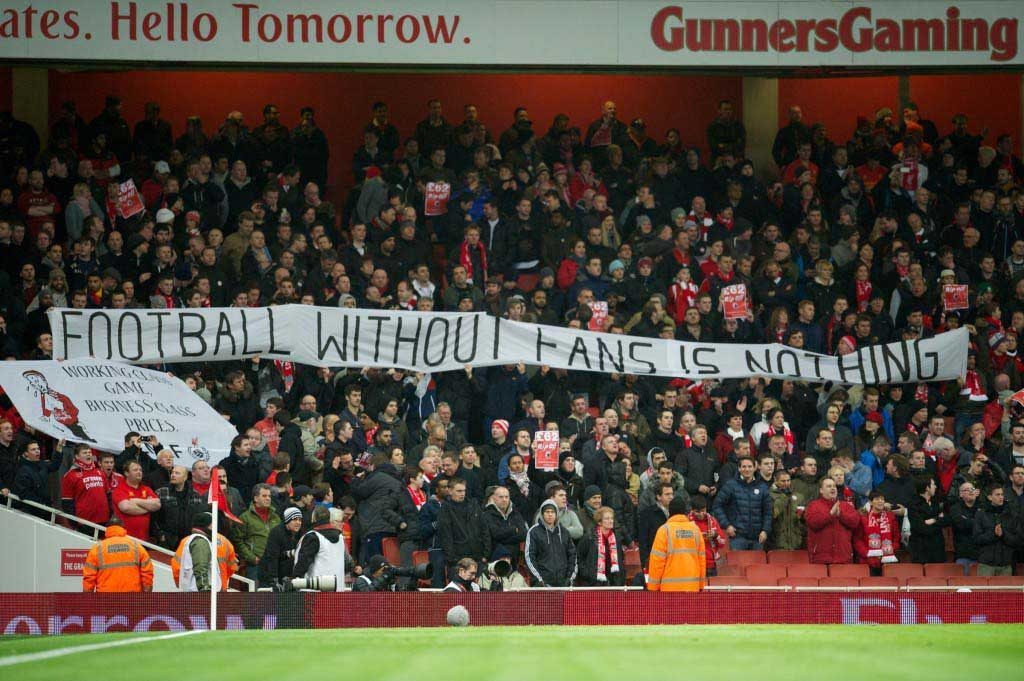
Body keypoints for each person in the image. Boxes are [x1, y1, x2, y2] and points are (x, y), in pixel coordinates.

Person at [647, 495, 707, 592]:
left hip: (669, 590)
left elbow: (657, 562)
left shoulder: (664, 530)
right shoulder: (696, 530)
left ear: (670, 512)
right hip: (692, 588)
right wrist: (701, 585)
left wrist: (653, 588)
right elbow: (702, 561)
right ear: (685, 512)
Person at [712, 457, 772, 550]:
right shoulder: (730, 485)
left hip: (758, 538)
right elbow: (717, 505)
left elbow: (768, 512)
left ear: (755, 467)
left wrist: (765, 530)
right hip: (737, 537)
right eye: (744, 467)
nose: (747, 469)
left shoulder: (762, 487)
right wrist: (727, 525)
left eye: (749, 466)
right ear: (739, 468)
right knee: (737, 564)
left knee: (757, 565)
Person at [82, 517, 153, 593]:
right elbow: (147, 573)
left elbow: (89, 578)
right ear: (122, 527)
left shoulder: (97, 549)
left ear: (107, 529)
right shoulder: (136, 546)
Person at [172, 512, 238, 592]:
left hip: (194, 590)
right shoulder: (201, 542)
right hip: (204, 594)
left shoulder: (187, 541)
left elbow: (176, 567)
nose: (214, 527)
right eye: (212, 524)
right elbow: (201, 567)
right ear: (207, 525)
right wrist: (205, 590)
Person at [804, 477, 860, 565]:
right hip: (821, 559)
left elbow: (855, 522)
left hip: (843, 558)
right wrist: (830, 515)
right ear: (821, 490)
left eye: (834, 486)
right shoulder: (813, 506)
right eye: (829, 486)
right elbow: (813, 523)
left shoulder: (845, 505)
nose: (833, 488)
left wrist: (840, 515)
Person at [293, 506, 349, 588]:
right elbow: (347, 562)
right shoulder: (340, 537)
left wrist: (295, 579)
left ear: (313, 518)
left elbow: (303, 562)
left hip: (318, 593)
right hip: (338, 591)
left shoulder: (313, 536)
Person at [525, 499, 577, 587]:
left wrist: (569, 578)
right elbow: (529, 557)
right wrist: (539, 579)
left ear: (556, 514)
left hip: (563, 583)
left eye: (552, 512)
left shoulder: (564, 532)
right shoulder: (534, 532)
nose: (550, 514)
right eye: (547, 512)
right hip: (542, 584)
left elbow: (572, 556)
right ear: (542, 514)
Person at [236, 483, 282, 582]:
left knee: (273, 594)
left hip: (273, 564)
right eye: (264, 496)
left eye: (269, 496)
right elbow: (238, 541)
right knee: (255, 596)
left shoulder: (276, 517)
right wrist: (252, 558)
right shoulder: (245, 518)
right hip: (255, 566)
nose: (268, 498)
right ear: (256, 498)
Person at [973, 486, 1021, 576]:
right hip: (986, 565)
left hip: (1006, 565)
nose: (1001, 497)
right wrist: (993, 534)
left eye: (1002, 494)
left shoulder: (1012, 515)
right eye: (997, 494)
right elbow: (976, 539)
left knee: (1003, 590)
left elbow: (1017, 540)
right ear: (990, 497)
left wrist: (1003, 534)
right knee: (984, 590)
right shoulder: (981, 514)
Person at [61, 443, 111, 527]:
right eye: (84, 452)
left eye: (89, 452)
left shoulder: (100, 472)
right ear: (77, 456)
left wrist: (110, 515)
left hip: (104, 520)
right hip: (84, 522)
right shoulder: (70, 475)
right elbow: (67, 502)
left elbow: (108, 496)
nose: (88, 454)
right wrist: (74, 523)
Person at [111, 460, 161, 541]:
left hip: (144, 539)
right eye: (135, 470)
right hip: (124, 538)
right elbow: (126, 508)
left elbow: (157, 505)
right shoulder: (119, 489)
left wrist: (136, 501)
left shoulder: (146, 489)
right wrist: (148, 507)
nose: (139, 472)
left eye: (140, 470)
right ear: (127, 473)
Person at [576, 506, 627, 586]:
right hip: (594, 582)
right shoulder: (589, 537)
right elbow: (580, 557)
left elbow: (621, 558)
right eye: (607, 519)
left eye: (611, 518)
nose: (611, 521)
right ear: (599, 522)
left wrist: (621, 576)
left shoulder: (616, 537)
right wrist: (587, 574)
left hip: (614, 582)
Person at [854, 491, 900, 573]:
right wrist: (867, 553)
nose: (880, 501)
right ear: (870, 502)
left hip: (888, 560)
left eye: (882, 499)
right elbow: (857, 539)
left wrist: (891, 549)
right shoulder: (863, 518)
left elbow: (896, 537)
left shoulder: (890, 517)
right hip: (868, 562)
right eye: (877, 499)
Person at [908, 477, 950, 564]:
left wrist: (933, 520)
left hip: (938, 549)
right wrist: (939, 520)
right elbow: (921, 528)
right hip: (921, 550)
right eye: (933, 484)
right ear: (927, 488)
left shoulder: (936, 503)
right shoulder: (914, 505)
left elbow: (947, 520)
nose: (935, 487)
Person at [260, 506, 303, 588]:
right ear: (287, 520)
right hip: (269, 575)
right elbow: (272, 557)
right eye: (295, 519)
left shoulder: (299, 533)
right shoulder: (276, 533)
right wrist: (274, 580)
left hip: (286, 576)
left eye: (300, 520)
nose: (298, 522)